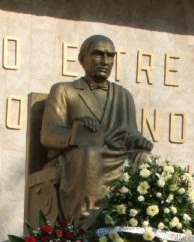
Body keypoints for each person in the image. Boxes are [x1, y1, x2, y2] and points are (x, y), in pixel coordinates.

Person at [40, 34, 153, 225]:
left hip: (116, 154)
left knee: (144, 158)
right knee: (90, 154)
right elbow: (48, 134)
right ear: (82, 59)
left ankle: (132, 221)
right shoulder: (64, 90)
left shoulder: (124, 96)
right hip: (78, 158)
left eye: (110, 56)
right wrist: (78, 131)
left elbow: (130, 133)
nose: (105, 61)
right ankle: (85, 222)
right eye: (98, 54)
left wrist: (138, 140)